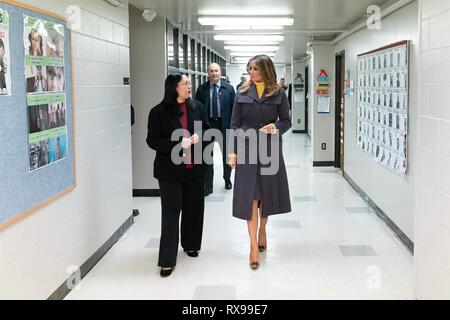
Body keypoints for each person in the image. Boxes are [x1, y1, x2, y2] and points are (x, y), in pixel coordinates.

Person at [229, 55, 292, 270]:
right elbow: (235, 124)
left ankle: (262, 230)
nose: (251, 72)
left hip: (270, 149)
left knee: (265, 195)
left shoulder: (278, 93)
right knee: (250, 197)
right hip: (247, 149)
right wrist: (233, 152)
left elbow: (286, 120)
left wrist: (276, 127)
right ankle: (253, 246)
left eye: (255, 68)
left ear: (265, 70)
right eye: (250, 68)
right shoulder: (242, 92)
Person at [146, 74, 211, 278]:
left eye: (190, 83)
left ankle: (191, 245)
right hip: (170, 171)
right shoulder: (158, 112)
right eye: (185, 83)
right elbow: (152, 140)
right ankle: (167, 260)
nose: (189, 86)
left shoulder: (197, 107)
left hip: (195, 168)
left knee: (194, 209)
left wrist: (201, 135)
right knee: (171, 213)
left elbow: (208, 129)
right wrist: (176, 144)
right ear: (174, 87)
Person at [195, 63, 236, 195]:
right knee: (207, 156)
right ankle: (208, 185)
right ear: (208, 73)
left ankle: (227, 179)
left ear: (220, 72)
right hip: (208, 126)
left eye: (216, 71)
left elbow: (234, 110)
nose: (214, 73)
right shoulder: (202, 89)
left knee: (227, 155)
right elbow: (197, 109)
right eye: (211, 71)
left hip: (225, 125)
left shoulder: (229, 89)